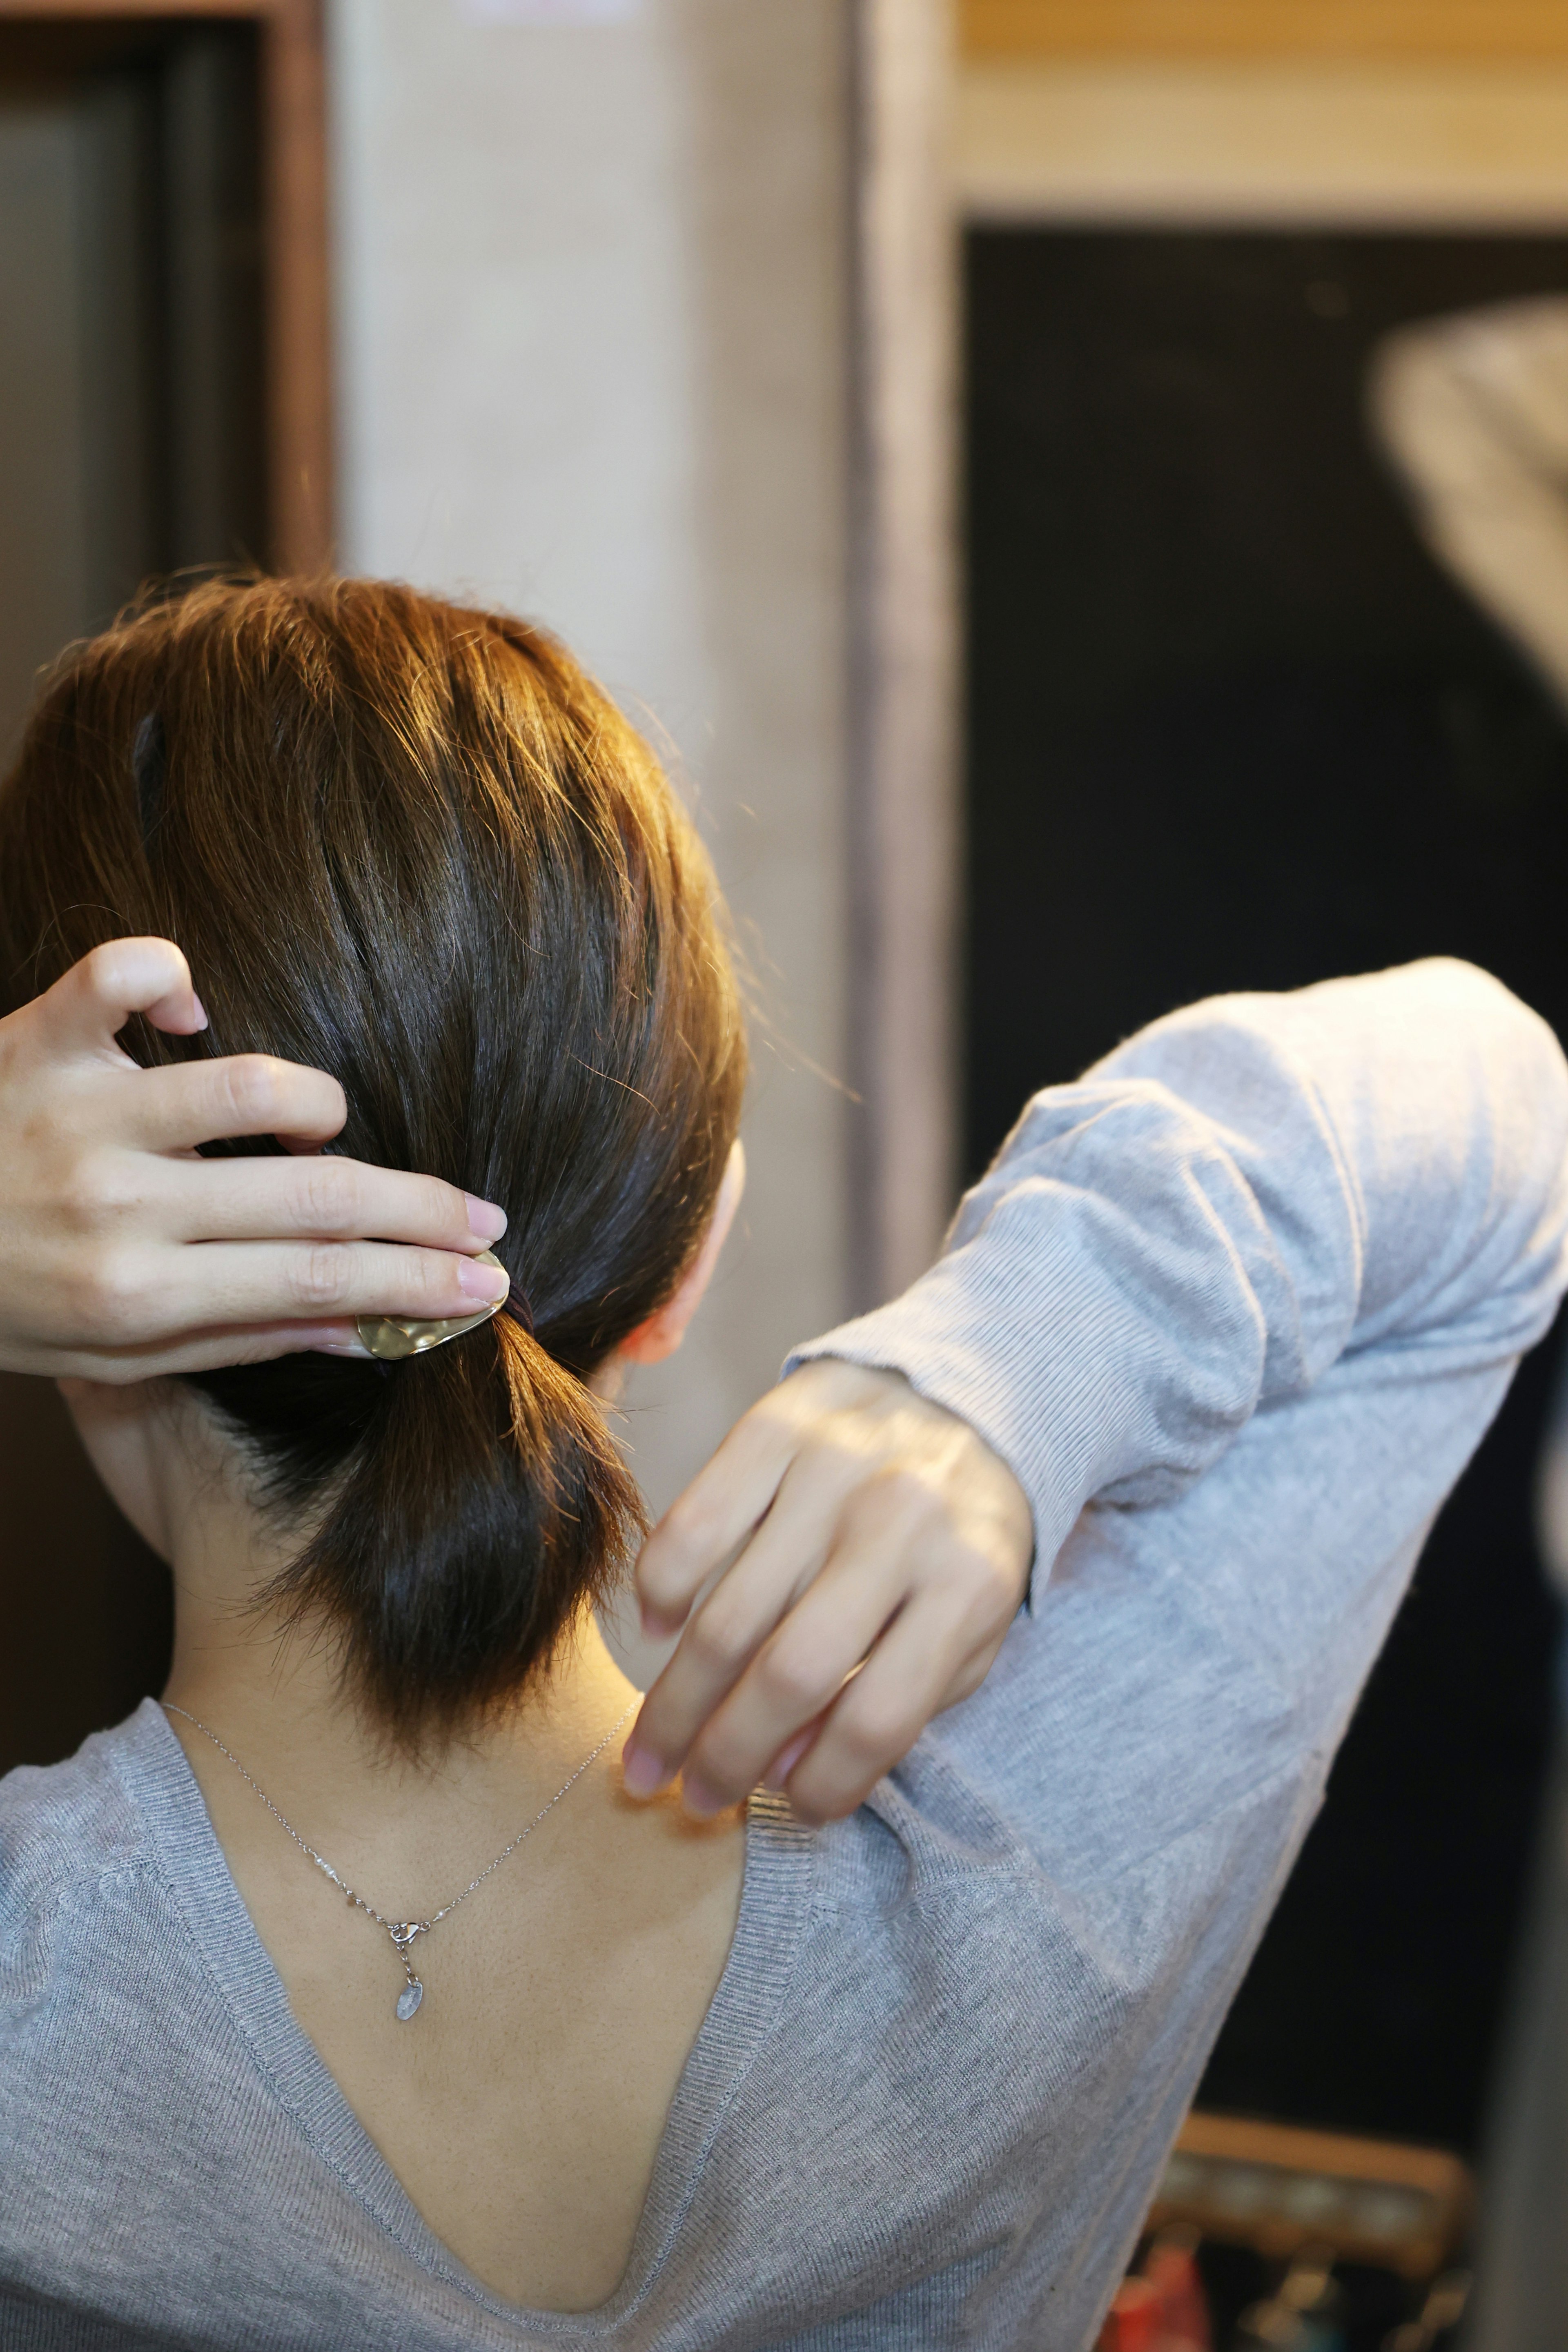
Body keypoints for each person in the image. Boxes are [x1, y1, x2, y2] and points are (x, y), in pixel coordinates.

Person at [2, 578, 1567, 2352]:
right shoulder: (1011, 1908)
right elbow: (1496, 1110)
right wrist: (1002, 1375)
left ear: (72, 1268)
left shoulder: (32, 2011)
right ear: (693, 1240)